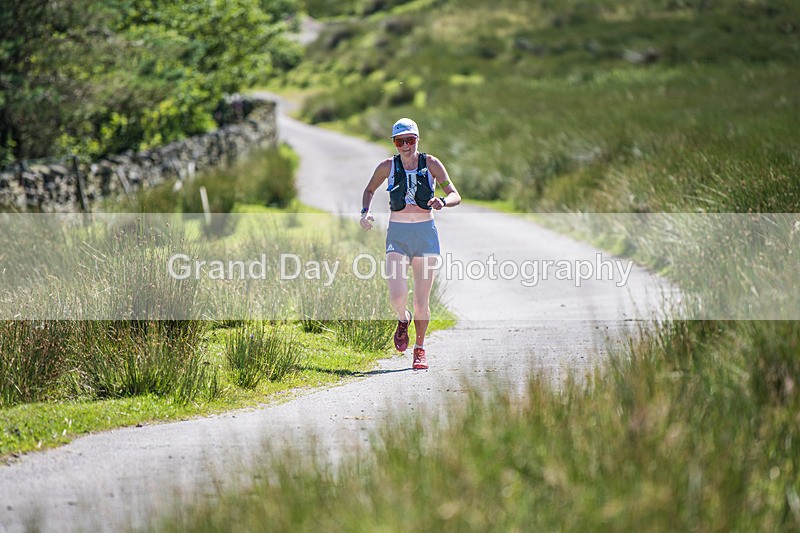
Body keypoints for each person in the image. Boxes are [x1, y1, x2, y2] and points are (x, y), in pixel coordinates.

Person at [359, 118, 461, 370]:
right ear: (394, 143)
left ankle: (420, 349)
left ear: (418, 139)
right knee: (397, 295)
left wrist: (443, 202)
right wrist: (365, 212)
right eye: (399, 141)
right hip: (398, 234)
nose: (405, 146)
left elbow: (455, 194)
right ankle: (402, 319)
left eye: (410, 140)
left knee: (421, 301)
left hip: (426, 232)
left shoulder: (432, 163)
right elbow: (369, 190)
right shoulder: (387, 166)